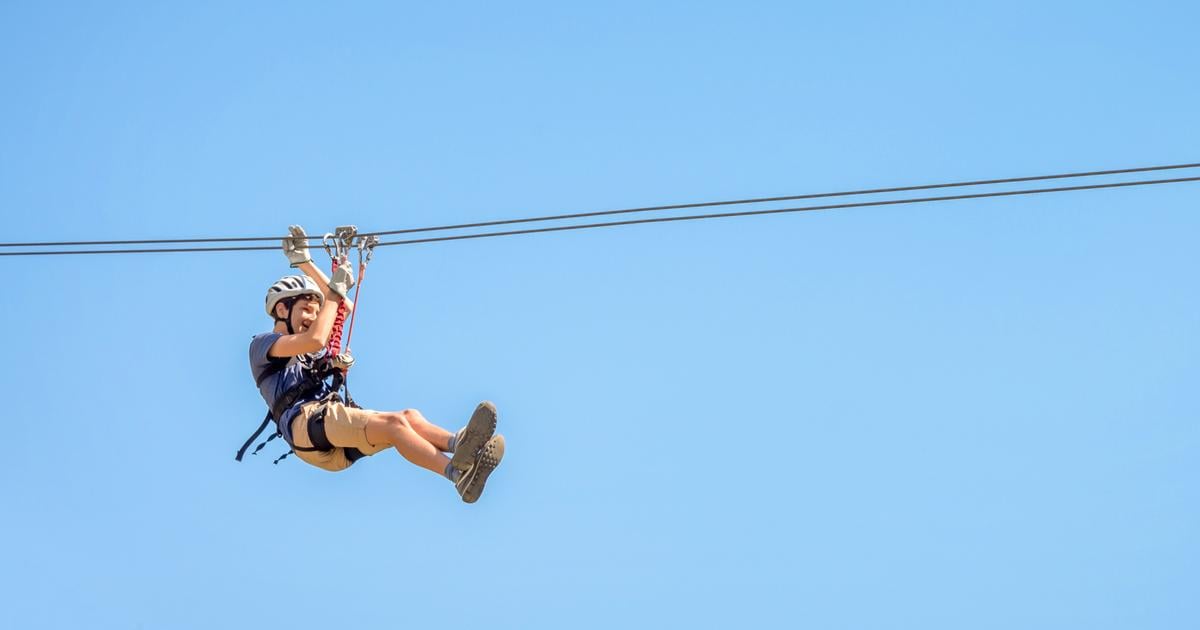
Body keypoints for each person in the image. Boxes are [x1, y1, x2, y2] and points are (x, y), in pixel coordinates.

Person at [247, 225, 504, 503]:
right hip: (308, 425)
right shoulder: (263, 345)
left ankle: (458, 444)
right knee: (394, 424)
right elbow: (318, 338)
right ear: (282, 309)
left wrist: (306, 264)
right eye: (306, 309)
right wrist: (333, 290)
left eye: (315, 310)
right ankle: (457, 475)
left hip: (327, 439)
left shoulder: (306, 352)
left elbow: (342, 309)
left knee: (407, 417)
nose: (313, 315)